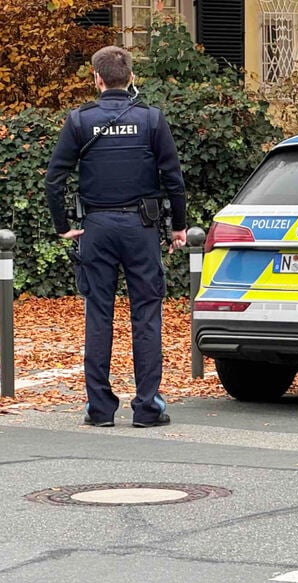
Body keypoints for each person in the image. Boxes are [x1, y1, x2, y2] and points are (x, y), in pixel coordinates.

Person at [45, 45, 187, 428]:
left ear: (97, 78)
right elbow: (173, 177)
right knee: (146, 315)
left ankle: (100, 409)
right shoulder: (151, 119)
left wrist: (63, 226)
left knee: (99, 314)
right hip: (140, 229)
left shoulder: (79, 120)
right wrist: (178, 226)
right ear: (131, 78)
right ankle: (147, 407)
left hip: (97, 228)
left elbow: (54, 179)